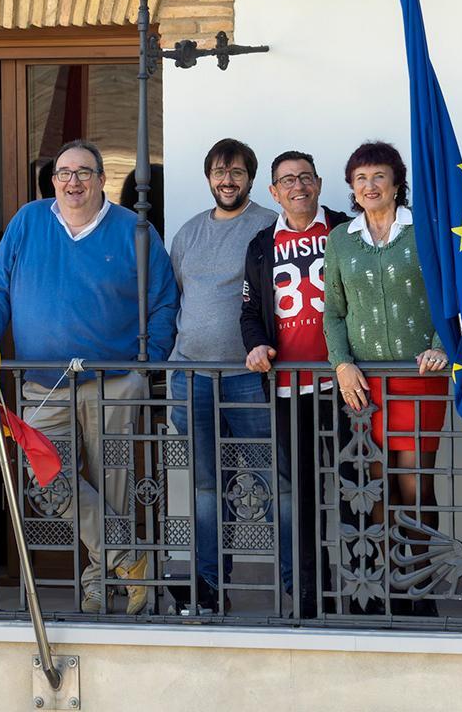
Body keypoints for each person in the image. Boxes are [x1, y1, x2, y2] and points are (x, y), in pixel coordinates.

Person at [0, 138, 178, 615]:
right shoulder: (28, 222)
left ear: (101, 179)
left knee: (112, 484)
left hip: (114, 380)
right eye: (63, 173)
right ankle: (130, 559)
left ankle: (99, 583)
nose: (72, 181)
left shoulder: (133, 229)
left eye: (83, 172)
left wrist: (148, 361)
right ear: (53, 181)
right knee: (46, 479)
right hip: (43, 381)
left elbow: (163, 300)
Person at [322, 142, 449, 616]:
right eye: (361, 179)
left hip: (419, 376)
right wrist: (341, 363)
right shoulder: (341, 239)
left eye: (379, 176)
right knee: (380, 484)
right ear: (352, 189)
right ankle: (388, 585)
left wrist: (440, 345)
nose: (370, 186)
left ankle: (421, 587)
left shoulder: (426, 230)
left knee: (415, 483)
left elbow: (448, 298)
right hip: (365, 383)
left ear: (396, 182)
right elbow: (333, 311)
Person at [164, 138, 276, 612]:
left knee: (276, 479)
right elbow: (175, 299)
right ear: (208, 177)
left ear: (250, 178)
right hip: (190, 376)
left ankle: (296, 580)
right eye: (218, 172)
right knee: (206, 484)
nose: (226, 180)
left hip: (249, 377)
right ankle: (209, 585)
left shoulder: (270, 225)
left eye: (235, 172)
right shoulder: (188, 233)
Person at [240, 150, 351, 619]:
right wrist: (257, 345)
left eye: (305, 177)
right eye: (287, 180)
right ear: (273, 192)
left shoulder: (347, 229)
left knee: (357, 491)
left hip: (347, 386)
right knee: (302, 498)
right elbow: (249, 311)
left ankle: (367, 592)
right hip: (289, 389)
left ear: (320, 183)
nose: (298, 186)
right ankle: (312, 598)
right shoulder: (262, 244)